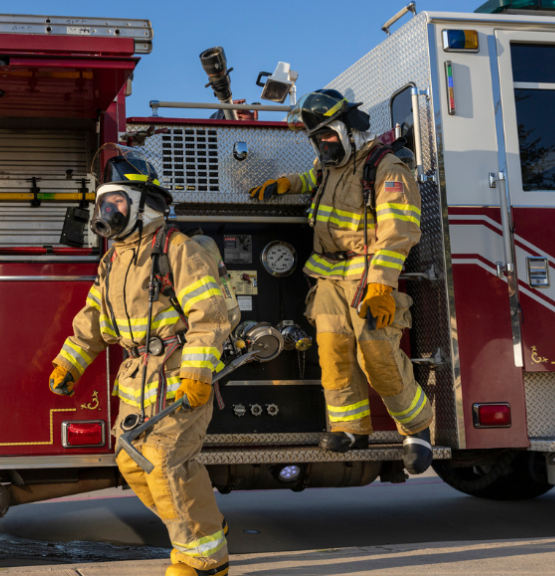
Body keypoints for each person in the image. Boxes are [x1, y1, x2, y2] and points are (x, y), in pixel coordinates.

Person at [49, 147, 233, 576]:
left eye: (115, 202)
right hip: (137, 379)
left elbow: (210, 317)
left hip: (178, 375)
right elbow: (94, 318)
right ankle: (204, 522)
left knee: (167, 463)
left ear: (141, 204)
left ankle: (204, 560)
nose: (107, 211)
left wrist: (197, 373)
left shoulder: (179, 249)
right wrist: (70, 362)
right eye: (104, 203)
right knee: (132, 461)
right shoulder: (113, 259)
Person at [248, 89, 434, 474]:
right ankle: (350, 429)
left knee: (378, 358)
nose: (323, 144)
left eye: (328, 135)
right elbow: (315, 178)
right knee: (333, 356)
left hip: (368, 278)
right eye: (317, 139)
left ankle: (417, 430)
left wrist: (382, 285)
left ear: (349, 130)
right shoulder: (330, 165)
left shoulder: (386, 168)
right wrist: (286, 184)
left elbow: (398, 232)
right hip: (330, 279)